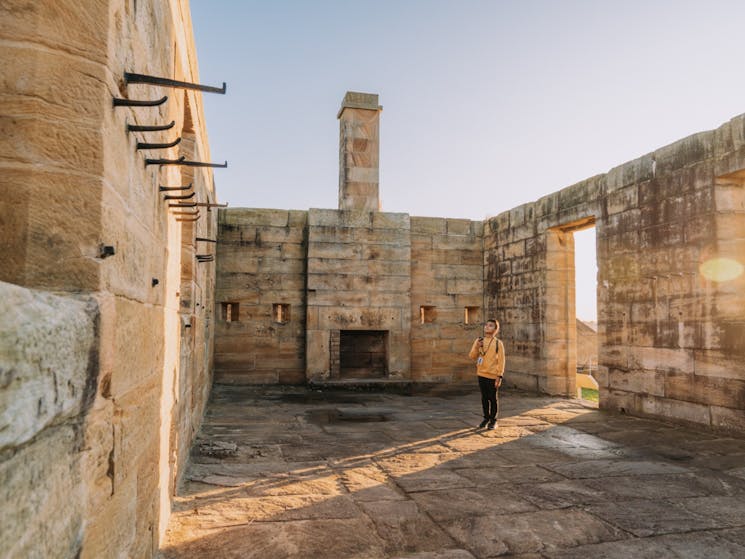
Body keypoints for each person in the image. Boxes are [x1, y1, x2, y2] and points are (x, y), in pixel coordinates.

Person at [468, 318, 506, 429]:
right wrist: (477, 346)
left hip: (493, 375)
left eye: (490, 325)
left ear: (495, 329)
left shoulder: (498, 343)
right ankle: (486, 418)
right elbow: (472, 356)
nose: (487, 327)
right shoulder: (479, 340)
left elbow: (502, 361)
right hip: (481, 374)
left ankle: (494, 420)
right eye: (486, 325)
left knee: (493, 398)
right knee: (484, 398)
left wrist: (499, 376)